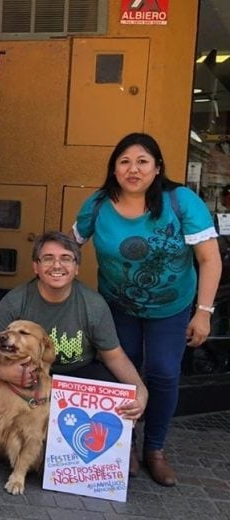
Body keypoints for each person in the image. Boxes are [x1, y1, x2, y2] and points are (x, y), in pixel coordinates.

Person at [73, 133, 221, 486]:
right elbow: (69, 247)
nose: (133, 169)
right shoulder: (97, 205)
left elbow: (209, 258)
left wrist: (203, 312)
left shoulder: (181, 201)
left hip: (171, 307)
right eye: (124, 161)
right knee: (122, 374)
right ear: (114, 169)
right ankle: (127, 446)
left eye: (142, 161)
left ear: (157, 168)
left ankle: (155, 449)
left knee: (163, 373)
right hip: (116, 305)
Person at [0, 231, 148, 473]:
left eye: (66, 258)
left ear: (77, 267)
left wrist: (139, 390)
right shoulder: (17, 299)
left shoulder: (92, 304)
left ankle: (122, 448)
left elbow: (115, 356)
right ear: (36, 267)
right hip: (28, 374)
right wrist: (5, 372)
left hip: (71, 376)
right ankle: (0, 436)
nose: (57, 265)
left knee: (110, 384)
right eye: (47, 258)